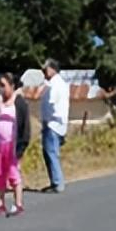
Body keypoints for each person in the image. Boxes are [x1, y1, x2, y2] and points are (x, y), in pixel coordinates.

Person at [0, 73, 30, 216]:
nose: (2, 89)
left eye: (4, 86)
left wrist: (20, 150)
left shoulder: (20, 103)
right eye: (0, 86)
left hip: (12, 145)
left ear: (12, 86)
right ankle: (0, 204)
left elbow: (25, 128)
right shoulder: (0, 103)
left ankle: (18, 204)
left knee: (13, 174)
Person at [39, 57, 69, 193]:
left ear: (51, 69)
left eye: (45, 69)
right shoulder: (60, 83)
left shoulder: (54, 85)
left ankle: (57, 183)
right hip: (57, 123)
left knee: (51, 153)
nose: (44, 72)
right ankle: (55, 182)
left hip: (52, 123)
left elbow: (51, 103)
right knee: (50, 152)